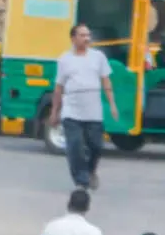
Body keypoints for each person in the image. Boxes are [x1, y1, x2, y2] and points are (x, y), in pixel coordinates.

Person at [50, 25, 119, 190]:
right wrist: (54, 112)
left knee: (96, 145)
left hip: (93, 111)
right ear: (73, 39)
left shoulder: (98, 57)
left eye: (88, 35)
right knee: (75, 146)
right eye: (82, 35)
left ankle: (90, 171)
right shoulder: (64, 59)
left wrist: (112, 104)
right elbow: (59, 88)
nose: (87, 38)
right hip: (72, 111)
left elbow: (106, 81)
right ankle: (81, 181)